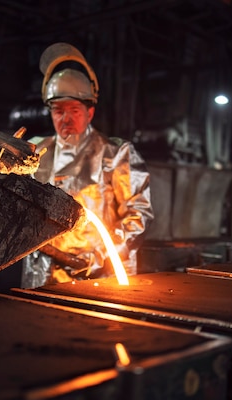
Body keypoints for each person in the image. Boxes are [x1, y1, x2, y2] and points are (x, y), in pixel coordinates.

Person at [21, 43, 153, 288]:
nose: (66, 119)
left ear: (90, 113)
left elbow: (139, 215)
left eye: (74, 110)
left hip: (97, 278)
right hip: (42, 276)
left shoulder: (115, 154)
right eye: (58, 110)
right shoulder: (35, 152)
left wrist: (100, 256)